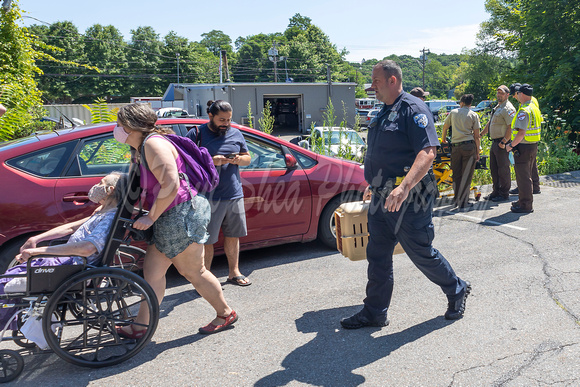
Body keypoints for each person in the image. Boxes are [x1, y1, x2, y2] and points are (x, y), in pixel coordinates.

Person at [340, 60, 470, 329]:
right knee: (377, 254)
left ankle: (456, 288)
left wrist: (403, 187)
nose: (371, 86)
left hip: (409, 197)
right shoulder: (384, 110)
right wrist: (374, 183)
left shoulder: (413, 109)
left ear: (392, 81)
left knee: (421, 253)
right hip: (381, 195)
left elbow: (428, 153)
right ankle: (375, 311)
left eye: (375, 81)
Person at [115, 103, 237, 336]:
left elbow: (170, 183)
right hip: (173, 214)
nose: (117, 129)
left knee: (194, 272)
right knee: (152, 273)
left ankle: (225, 313)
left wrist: (150, 217)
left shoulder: (152, 143)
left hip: (180, 215)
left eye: (120, 125)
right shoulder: (145, 145)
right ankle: (141, 326)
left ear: (132, 126)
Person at [0, 172, 126, 325]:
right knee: (9, 278)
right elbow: (71, 227)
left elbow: (87, 248)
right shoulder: (101, 211)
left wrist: (38, 251)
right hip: (67, 263)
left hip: (75, 268)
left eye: (101, 183)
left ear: (110, 190)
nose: (95, 186)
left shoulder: (110, 218)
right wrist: (36, 239)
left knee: (7, 285)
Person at [186, 100, 253, 287]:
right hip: (208, 197)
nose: (226, 123)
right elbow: (184, 162)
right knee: (207, 240)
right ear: (210, 116)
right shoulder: (196, 133)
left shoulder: (236, 133)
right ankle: (204, 279)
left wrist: (239, 159)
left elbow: (248, 158)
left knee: (233, 235)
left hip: (233, 194)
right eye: (222, 119)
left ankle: (234, 273)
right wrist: (211, 161)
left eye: (229, 119)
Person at [506, 84, 542, 213]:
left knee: (523, 177)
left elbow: (521, 133)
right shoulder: (534, 107)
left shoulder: (524, 110)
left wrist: (510, 145)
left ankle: (525, 204)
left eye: (517, 94)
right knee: (527, 176)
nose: (516, 97)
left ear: (521, 94)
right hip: (533, 145)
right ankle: (523, 200)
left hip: (523, 147)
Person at [441, 94, 481, 209]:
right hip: (468, 146)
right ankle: (464, 202)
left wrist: (443, 139)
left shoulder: (453, 113)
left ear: (461, 103)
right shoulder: (474, 115)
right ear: (469, 104)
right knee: (466, 174)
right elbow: (477, 136)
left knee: (457, 174)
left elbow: (445, 126)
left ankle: (457, 198)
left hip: (455, 147)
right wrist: (477, 152)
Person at [480, 85, 516, 202]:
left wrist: (504, 141)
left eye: (501, 93)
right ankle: (496, 191)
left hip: (502, 142)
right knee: (494, 168)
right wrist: (481, 134)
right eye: (498, 92)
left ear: (507, 95)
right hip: (495, 142)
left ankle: (504, 193)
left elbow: (511, 127)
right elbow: (491, 123)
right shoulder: (498, 107)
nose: (499, 95)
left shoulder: (508, 108)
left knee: (503, 169)